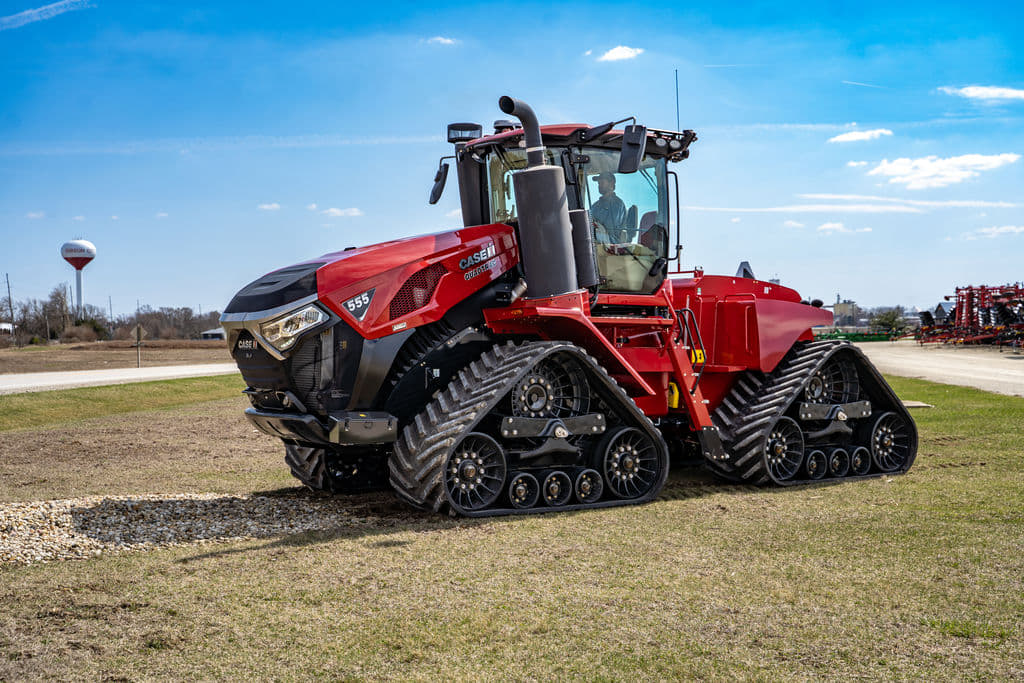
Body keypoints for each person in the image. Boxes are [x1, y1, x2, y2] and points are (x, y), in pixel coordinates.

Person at [589, 171, 626, 243]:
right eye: (598, 183)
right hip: (595, 243)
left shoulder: (617, 204)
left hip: (610, 246)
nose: (599, 185)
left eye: (602, 183)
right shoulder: (595, 205)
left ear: (611, 184)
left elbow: (609, 228)